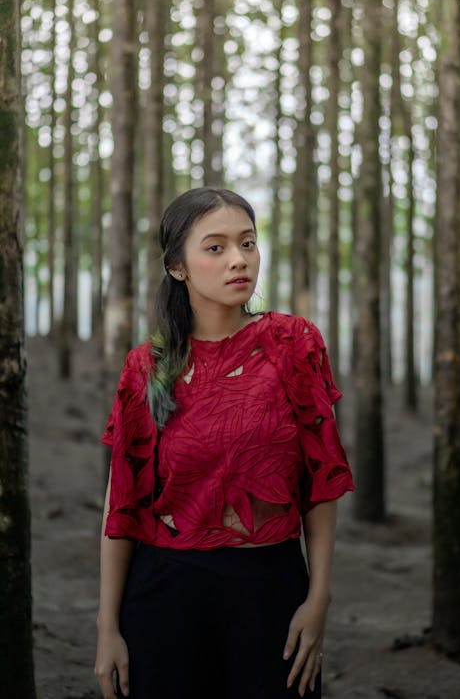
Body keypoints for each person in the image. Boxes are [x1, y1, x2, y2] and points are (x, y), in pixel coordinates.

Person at [94, 187, 354, 699]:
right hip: (165, 591)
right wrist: (107, 628)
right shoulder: (148, 367)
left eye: (248, 243)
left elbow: (319, 479)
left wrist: (318, 596)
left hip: (271, 587)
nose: (239, 260)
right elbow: (121, 502)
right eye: (215, 247)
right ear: (177, 267)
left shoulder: (293, 344)